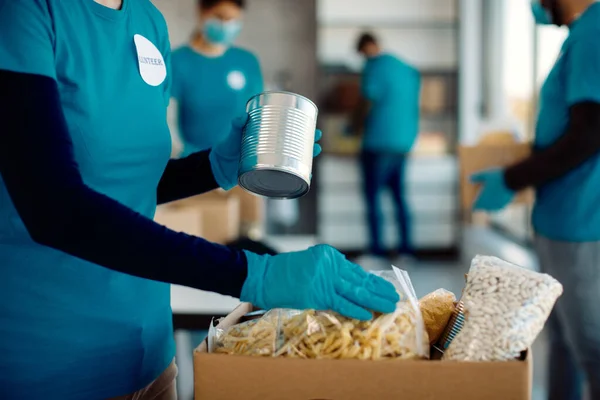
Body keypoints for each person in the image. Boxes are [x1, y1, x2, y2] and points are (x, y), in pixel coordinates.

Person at [0, 1, 400, 399]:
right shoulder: (25, 12)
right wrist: (253, 274)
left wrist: (212, 167)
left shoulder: (147, 21)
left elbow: (129, 184)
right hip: (54, 364)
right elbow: (53, 207)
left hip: (151, 360)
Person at [472, 1, 600, 398]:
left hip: (579, 220)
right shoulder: (581, 34)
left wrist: (513, 177)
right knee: (561, 340)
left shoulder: (593, 34)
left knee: (589, 346)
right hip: (560, 215)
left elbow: (589, 134)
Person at [355, 32, 421, 259]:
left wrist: (352, 127)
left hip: (379, 141)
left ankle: (376, 249)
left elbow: (366, 100)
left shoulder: (374, 67)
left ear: (368, 47)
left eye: (363, 53)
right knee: (398, 196)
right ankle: (406, 249)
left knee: (373, 196)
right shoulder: (405, 68)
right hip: (403, 142)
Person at [171, 0, 262, 157]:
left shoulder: (247, 61)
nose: (227, 25)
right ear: (202, 12)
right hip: (193, 165)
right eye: (221, 17)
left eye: (234, 20)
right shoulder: (177, 61)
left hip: (238, 168)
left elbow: (259, 118)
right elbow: (167, 123)